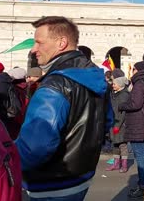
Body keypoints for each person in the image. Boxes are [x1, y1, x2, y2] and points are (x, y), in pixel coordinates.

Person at [15, 16, 109, 201]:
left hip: (49, 183)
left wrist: (6, 160)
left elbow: (36, 146)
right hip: (81, 176)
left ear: (61, 43)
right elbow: (106, 123)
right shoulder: (96, 77)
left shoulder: (55, 84)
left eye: (39, 42)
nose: (34, 49)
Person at [119, 61, 144, 199]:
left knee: (140, 156)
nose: (132, 71)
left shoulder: (139, 84)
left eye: (133, 69)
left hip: (137, 124)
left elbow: (135, 103)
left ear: (138, 70)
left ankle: (142, 186)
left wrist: (122, 105)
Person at [106, 69, 130, 173]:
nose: (113, 85)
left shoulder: (124, 95)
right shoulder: (114, 93)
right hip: (113, 122)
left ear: (120, 84)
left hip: (120, 124)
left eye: (115, 84)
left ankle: (124, 165)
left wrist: (117, 125)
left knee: (122, 145)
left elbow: (122, 113)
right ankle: (116, 164)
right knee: (115, 144)